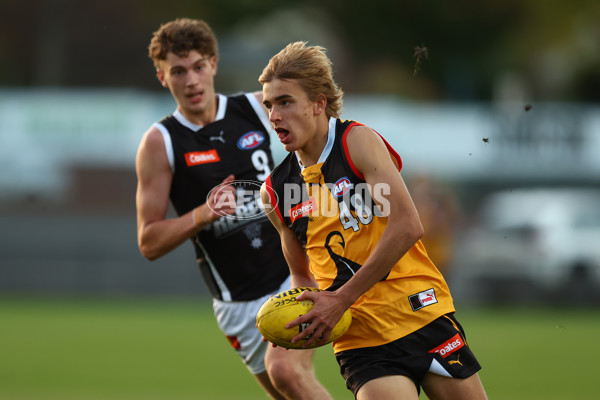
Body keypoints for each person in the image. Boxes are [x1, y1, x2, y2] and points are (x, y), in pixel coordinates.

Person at [259, 41, 488, 400]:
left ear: (319, 103)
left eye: (285, 101)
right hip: (361, 340)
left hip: (420, 311)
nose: (274, 116)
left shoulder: (356, 142)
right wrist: (307, 314)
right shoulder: (275, 191)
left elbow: (408, 225)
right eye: (269, 105)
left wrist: (340, 299)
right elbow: (302, 274)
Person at [135, 20, 332, 400]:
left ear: (212, 63)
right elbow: (149, 242)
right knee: (287, 389)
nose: (191, 80)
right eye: (178, 71)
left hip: (293, 272)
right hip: (237, 302)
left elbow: (319, 137)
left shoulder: (257, 108)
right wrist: (204, 214)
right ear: (162, 77)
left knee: (287, 373)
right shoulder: (160, 142)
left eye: (197, 67)